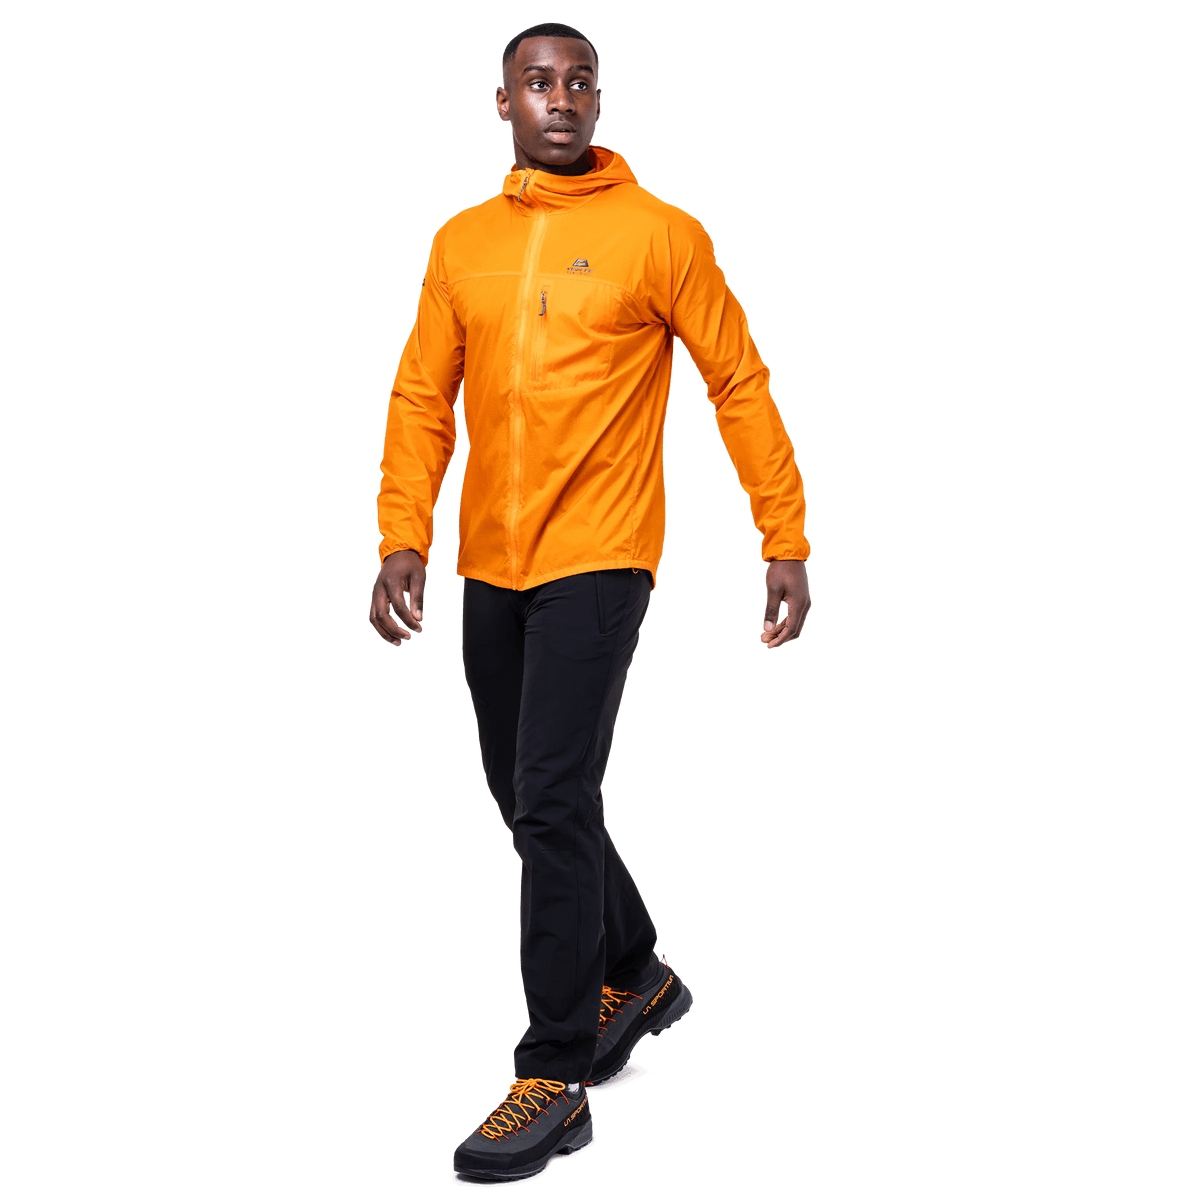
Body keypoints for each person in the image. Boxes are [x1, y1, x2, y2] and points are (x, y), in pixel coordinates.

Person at [370, 22, 811, 1182]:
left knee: (552, 798)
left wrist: (783, 535)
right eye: (537, 82)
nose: (559, 98)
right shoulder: (461, 243)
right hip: (492, 562)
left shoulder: (660, 236)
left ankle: (554, 1074)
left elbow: (736, 381)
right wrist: (404, 532)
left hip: (602, 556)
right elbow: (422, 397)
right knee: (530, 799)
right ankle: (636, 971)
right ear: (502, 103)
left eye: (578, 83)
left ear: (599, 102)